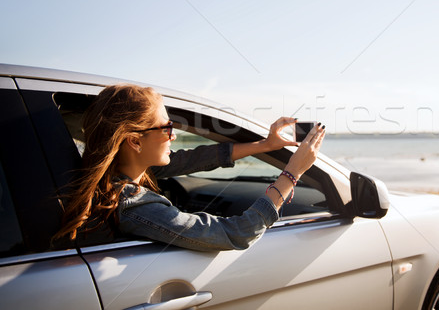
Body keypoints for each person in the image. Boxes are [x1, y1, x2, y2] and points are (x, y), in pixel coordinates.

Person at [53, 84, 325, 251]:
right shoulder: (132, 204)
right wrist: (291, 173)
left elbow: (194, 158)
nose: (173, 135)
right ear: (135, 141)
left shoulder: (118, 174)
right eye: (167, 127)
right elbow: (237, 232)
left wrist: (265, 145)